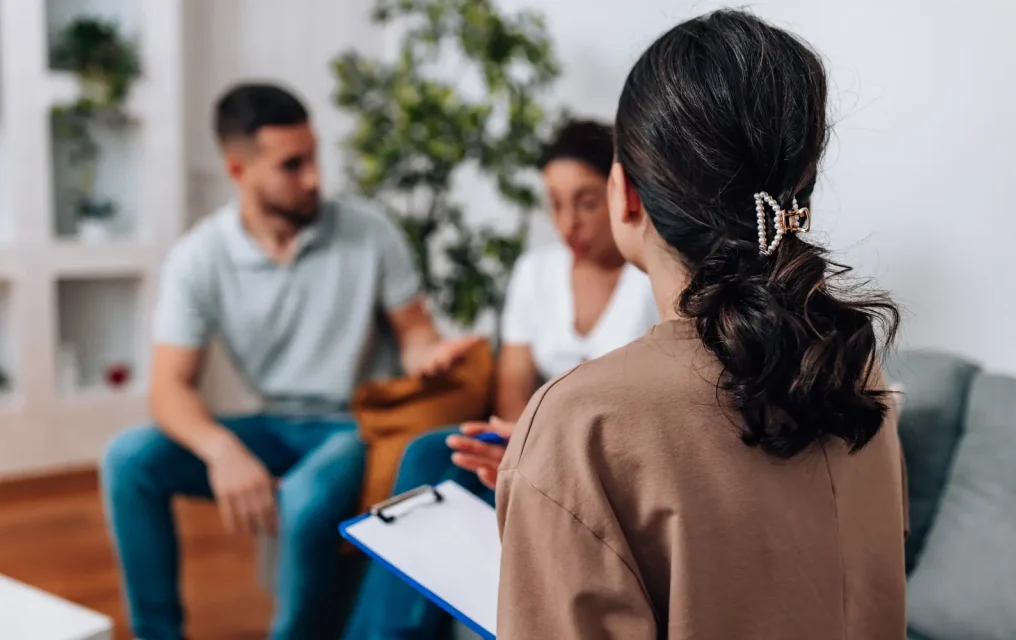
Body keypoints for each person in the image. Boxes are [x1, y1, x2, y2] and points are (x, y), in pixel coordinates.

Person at [452, 10, 908, 639]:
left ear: (626, 194)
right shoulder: (855, 373)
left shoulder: (581, 426)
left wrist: (556, 472)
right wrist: (558, 486)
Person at [100, 83, 478, 640]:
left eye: (313, 156)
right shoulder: (199, 259)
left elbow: (415, 332)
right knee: (128, 459)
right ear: (238, 170)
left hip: (355, 425)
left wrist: (430, 354)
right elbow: (169, 388)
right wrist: (222, 450)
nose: (314, 178)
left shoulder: (369, 232)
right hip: (274, 423)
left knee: (305, 497)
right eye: (291, 165)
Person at [344, 119, 660, 639]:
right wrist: (520, 453)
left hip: (600, 457)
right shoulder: (537, 272)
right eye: (554, 203)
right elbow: (512, 386)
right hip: (532, 442)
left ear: (620, 192)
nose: (568, 223)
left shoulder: (649, 277)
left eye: (584, 201)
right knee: (436, 450)